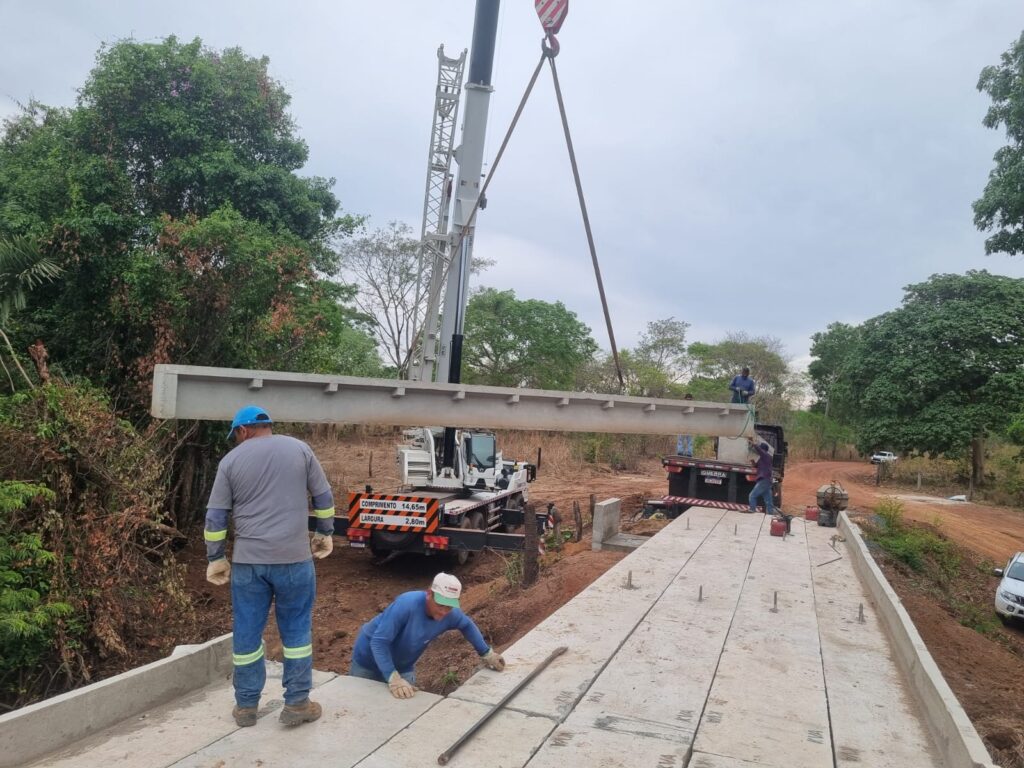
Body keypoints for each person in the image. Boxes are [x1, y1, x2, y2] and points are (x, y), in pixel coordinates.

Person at [204, 405, 337, 728]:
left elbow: (216, 516)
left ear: (243, 430)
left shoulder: (230, 462)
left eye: (236, 436)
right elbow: (323, 495)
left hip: (250, 564)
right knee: (296, 631)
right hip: (294, 560)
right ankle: (297, 703)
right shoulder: (300, 449)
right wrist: (324, 533)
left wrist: (216, 557)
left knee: (247, 633)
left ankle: (246, 707)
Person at [349, 572, 505, 698]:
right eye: (440, 605)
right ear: (429, 594)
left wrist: (487, 654)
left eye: (449, 607)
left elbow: (467, 625)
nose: (444, 612)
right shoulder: (407, 604)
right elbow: (379, 642)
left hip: (402, 665)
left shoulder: (450, 614)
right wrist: (393, 678)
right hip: (368, 662)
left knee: (403, 710)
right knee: (361, 704)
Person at [748, 438, 776, 515]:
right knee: (768, 500)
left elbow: (759, 450)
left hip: (764, 480)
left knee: (752, 495)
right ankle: (770, 513)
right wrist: (753, 462)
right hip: (767, 480)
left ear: (763, 450)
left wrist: (753, 443)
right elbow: (756, 466)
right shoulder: (763, 459)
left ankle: (752, 509)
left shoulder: (766, 456)